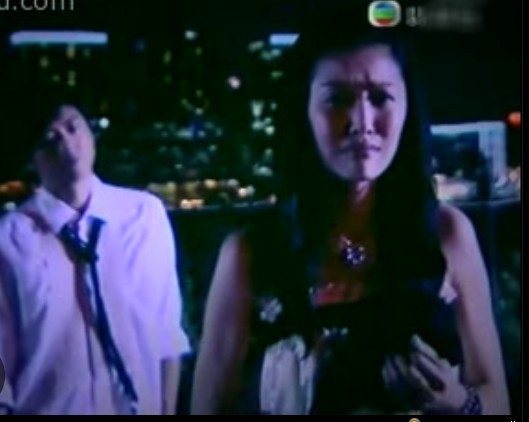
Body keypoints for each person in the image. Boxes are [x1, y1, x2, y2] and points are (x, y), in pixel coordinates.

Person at [191, 5, 510, 415]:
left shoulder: (447, 233)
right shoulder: (251, 253)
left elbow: (499, 399)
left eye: (380, 98)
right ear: (303, 111)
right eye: (337, 99)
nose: (361, 121)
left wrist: (459, 403)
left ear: (408, 108)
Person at [0, 92, 190, 414]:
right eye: (50, 137)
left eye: (73, 127)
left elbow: (166, 336)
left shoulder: (143, 216)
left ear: (91, 134)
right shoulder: (9, 239)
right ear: (32, 157)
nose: (66, 143)